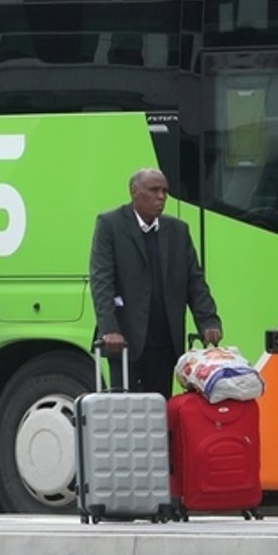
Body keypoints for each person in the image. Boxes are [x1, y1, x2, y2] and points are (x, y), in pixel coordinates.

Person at [88, 168, 222, 397]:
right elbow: (102, 280)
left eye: (165, 191)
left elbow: (194, 280)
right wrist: (109, 328)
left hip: (164, 340)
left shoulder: (178, 230)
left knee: (160, 410)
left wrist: (208, 320)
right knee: (126, 412)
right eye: (154, 190)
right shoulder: (110, 224)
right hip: (125, 341)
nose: (161, 197)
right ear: (134, 192)